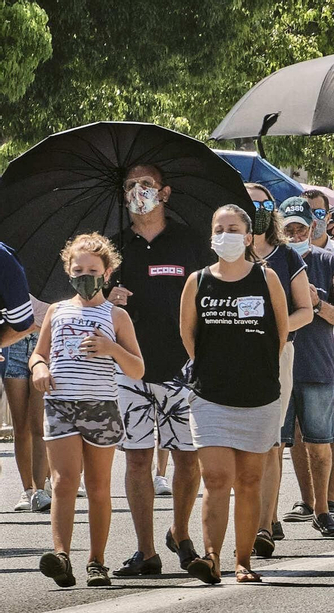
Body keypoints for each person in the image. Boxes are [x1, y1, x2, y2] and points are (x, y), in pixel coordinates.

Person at [180, 204, 290, 584]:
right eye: (218, 228)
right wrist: (214, 367)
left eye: (232, 228)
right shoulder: (197, 281)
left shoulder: (267, 278)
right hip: (210, 395)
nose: (225, 233)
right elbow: (188, 334)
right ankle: (211, 558)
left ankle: (244, 562)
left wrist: (253, 367)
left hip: (258, 395)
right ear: (212, 237)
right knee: (216, 476)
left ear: (247, 237)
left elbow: (281, 331)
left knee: (248, 480)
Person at [108, 163, 206, 577]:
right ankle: (146, 551)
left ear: (164, 193)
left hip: (183, 369)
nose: (137, 192)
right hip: (131, 370)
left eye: (145, 185)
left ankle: (181, 535)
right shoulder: (113, 247)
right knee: (136, 459)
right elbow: (90, 302)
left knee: (187, 456)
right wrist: (106, 295)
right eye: (130, 186)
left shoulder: (191, 242)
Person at [31, 234, 144, 587]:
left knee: (98, 485)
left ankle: (97, 559)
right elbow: (39, 353)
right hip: (60, 405)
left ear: (107, 273)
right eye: (78, 270)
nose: (85, 276)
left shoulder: (117, 315)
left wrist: (111, 348)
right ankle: (61, 555)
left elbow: (137, 368)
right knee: (64, 482)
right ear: (68, 271)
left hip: (101, 406)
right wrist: (39, 369)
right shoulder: (57, 310)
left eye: (92, 270)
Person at [243, 183, 316, 558]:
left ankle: (263, 526)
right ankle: (253, 518)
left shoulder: (286, 257)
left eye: (260, 205)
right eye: (246, 204)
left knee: (272, 442)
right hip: (232, 358)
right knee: (241, 444)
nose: (253, 210)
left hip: (277, 355)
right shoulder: (221, 256)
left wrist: (279, 328)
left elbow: (306, 309)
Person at [278, 196, 334, 537]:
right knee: (280, 443)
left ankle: (323, 509)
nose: (294, 235)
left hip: (318, 363)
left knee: (319, 442)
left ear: (313, 227)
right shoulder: (270, 262)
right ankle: (271, 518)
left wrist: (318, 303)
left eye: (300, 228)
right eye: (288, 229)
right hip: (278, 365)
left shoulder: (328, 260)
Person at [0, 240, 40, 508]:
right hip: (15, 345)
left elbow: (24, 322)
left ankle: (41, 488)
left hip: (38, 341)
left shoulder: (3, 257)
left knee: (39, 425)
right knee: (23, 426)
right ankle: (30, 489)